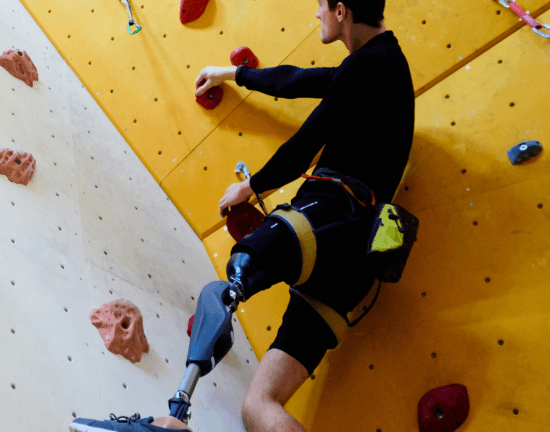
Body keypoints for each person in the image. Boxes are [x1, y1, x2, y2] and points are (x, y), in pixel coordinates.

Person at [70, 1, 414, 431]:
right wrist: (231, 72)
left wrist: (250, 187)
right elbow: (298, 81)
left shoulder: (373, 63)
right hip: (351, 268)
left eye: (321, 6)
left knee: (235, 279)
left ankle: (168, 423)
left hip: (332, 218)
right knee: (258, 407)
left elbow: (307, 141)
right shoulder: (380, 66)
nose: (316, 14)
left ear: (341, 9)